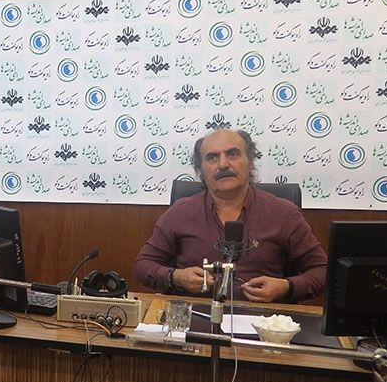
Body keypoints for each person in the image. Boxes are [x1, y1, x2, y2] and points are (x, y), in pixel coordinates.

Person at [134, 129, 327, 303]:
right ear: (201, 170)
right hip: (194, 319)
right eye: (212, 157)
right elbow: (143, 265)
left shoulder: (283, 213)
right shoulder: (181, 212)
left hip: (263, 323)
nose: (223, 164)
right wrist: (175, 277)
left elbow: (323, 270)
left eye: (233, 154)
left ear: (250, 162)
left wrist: (286, 287)